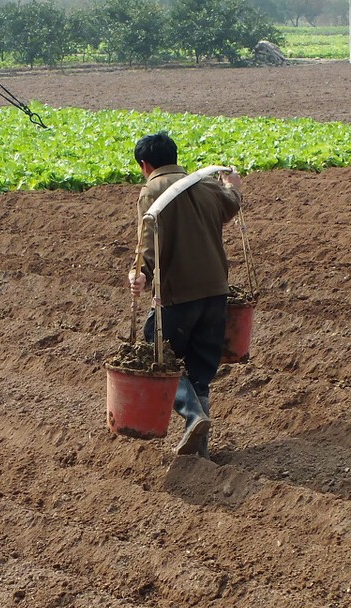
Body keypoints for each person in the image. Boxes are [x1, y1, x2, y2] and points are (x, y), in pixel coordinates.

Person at [128, 131, 242, 458]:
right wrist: (232, 183)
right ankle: (198, 452)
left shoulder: (152, 190)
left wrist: (141, 273)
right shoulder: (205, 184)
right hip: (217, 293)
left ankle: (193, 416)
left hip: (179, 295)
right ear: (175, 158)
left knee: (155, 356)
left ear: (145, 165)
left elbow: (148, 242)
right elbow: (231, 203)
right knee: (199, 371)